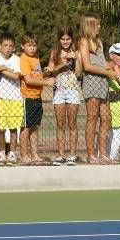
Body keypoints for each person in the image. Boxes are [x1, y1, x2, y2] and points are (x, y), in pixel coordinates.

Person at [79, 13, 115, 164]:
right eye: (97, 24)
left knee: (107, 118)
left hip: (103, 84)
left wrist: (114, 65)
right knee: (92, 118)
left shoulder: (99, 42)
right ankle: (91, 155)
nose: (100, 26)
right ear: (90, 25)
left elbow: (102, 63)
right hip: (91, 83)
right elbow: (87, 66)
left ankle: (103, 154)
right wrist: (108, 72)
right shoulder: (83, 41)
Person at [46, 27, 82, 166]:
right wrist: (62, 63)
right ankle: (60, 155)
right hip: (59, 91)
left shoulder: (77, 52)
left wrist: (76, 59)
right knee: (60, 125)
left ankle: (72, 155)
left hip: (73, 91)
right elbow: (50, 71)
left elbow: (79, 74)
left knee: (72, 124)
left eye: (68, 39)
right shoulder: (55, 52)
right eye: (63, 39)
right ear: (59, 39)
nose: (65, 42)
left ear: (72, 39)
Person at [19, 32, 54, 165]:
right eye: (29, 45)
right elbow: (28, 80)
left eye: (34, 45)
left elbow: (37, 77)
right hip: (27, 97)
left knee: (34, 127)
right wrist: (47, 82)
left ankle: (35, 155)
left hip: (37, 97)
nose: (32, 48)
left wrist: (45, 73)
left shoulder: (36, 58)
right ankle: (24, 155)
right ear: (23, 46)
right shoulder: (24, 59)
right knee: (26, 127)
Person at [0, 32, 22, 165]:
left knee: (13, 128)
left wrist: (0, 70)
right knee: (0, 129)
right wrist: (3, 67)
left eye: (10, 46)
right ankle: (2, 153)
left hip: (14, 98)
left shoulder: (16, 59)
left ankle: (12, 153)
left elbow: (16, 76)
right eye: (5, 45)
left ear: (14, 47)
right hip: (0, 98)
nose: (8, 48)